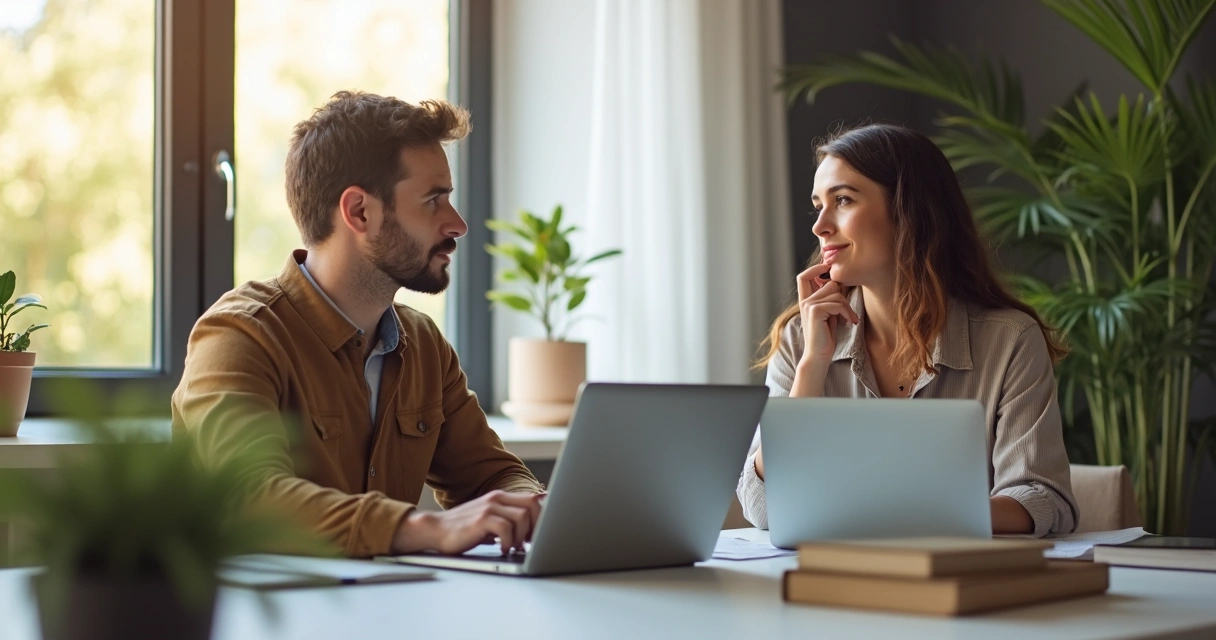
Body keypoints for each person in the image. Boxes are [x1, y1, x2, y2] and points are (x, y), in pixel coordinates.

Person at [172, 91, 544, 558]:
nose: (457, 224)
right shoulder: (239, 335)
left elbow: (490, 475)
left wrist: (533, 506)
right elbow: (249, 498)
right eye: (434, 200)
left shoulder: (424, 345)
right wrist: (428, 528)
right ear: (359, 212)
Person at [737, 123, 1078, 537]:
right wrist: (813, 367)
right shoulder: (801, 339)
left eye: (842, 200)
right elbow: (762, 506)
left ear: (908, 210)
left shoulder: (1010, 341)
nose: (820, 225)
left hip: (963, 586)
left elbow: (1042, 499)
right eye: (818, 206)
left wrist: (905, 513)